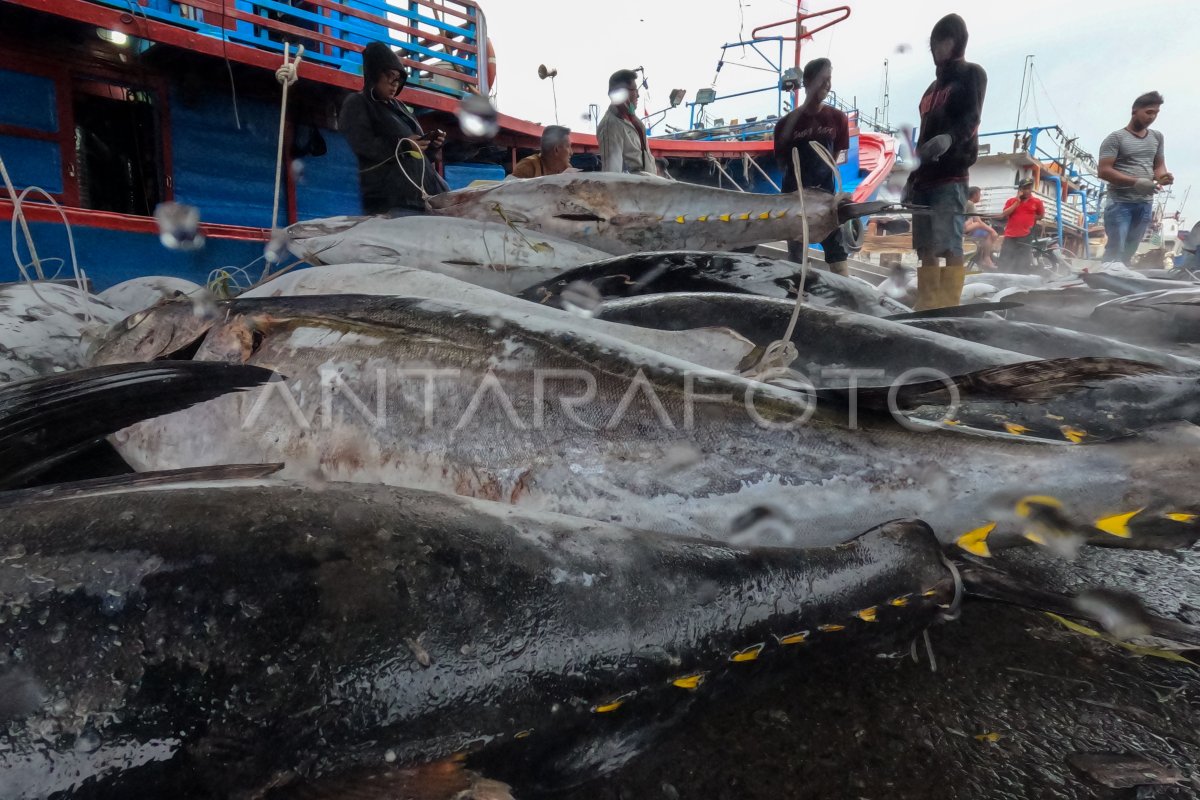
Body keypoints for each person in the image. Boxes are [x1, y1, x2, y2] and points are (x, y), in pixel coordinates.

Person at [907, 13, 987, 309]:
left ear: (957, 42)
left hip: (951, 176)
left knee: (950, 243)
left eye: (943, 42)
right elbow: (923, 135)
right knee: (925, 245)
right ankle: (928, 303)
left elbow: (972, 118)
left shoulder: (972, 74)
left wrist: (950, 139)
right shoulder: (930, 90)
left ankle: (949, 305)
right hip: (924, 179)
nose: (937, 49)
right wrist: (911, 178)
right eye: (934, 44)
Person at [340, 42, 449, 216]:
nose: (395, 84)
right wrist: (402, 145)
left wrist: (431, 145)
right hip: (391, 202)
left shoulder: (400, 108)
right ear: (374, 75)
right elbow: (361, 145)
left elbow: (417, 153)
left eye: (398, 79)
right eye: (390, 76)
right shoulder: (357, 103)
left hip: (423, 200)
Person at [772, 58, 851, 276]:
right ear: (806, 82)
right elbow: (782, 163)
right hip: (794, 202)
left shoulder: (837, 119)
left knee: (837, 254)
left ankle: (845, 298)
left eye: (829, 80)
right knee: (797, 258)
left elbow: (833, 157)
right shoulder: (785, 124)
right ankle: (800, 294)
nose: (826, 85)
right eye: (821, 79)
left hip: (826, 200)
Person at [1097, 91, 1173, 266]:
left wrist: (1163, 176)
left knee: (1130, 250)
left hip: (1145, 203)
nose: (1152, 117)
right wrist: (1136, 182)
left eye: (1156, 113)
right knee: (1116, 248)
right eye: (1148, 112)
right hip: (1119, 203)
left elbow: (1158, 165)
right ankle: (1105, 282)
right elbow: (1103, 171)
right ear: (1134, 111)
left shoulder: (1157, 137)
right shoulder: (1116, 138)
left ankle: (1120, 281)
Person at [598, 69, 656, 174]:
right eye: (635, 90)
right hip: (634, 189)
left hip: (649, 186)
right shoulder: (610, 126)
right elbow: (612, 174)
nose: (638, 95)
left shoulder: (633, 120)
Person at [998, 179, 1045, 272]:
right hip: (1010, 235)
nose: (1027, 191)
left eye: (1029, 188)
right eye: (1025, 188)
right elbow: (1004, 213)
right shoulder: (1011, 201)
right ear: (1020, 190)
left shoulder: (1037, 202)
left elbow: (1041, 215)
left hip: (1026, 235)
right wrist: (1017, 202)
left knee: (1022, 263)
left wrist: (1030, 219)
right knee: (1005, 260)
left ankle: (1020, 281)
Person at [963, 186, 999, 269]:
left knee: (982, 231)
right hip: (964, 230)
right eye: (980, 194)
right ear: (975, 194)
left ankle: (981, 258)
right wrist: (993, 231)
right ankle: (986, 258)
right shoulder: (970, 203)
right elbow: (978, 221)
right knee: (988, 234)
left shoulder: (965, 203)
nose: (980, 196)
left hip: (962, 228)